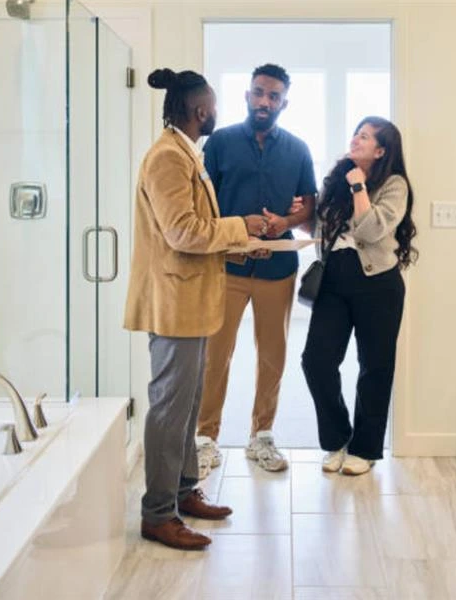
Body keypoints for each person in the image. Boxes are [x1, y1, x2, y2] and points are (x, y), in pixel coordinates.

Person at [123, 68, 269, 550]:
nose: (217, 113)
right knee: (170, 409)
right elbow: (183, 231)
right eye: (214, 106)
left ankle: (184, 491)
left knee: (186, 405)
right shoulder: (168, 157)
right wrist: (241, 226)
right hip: (175, 304)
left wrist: (240, 245)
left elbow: (195, 232)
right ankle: (158, 514)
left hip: (191, 301)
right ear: (201, 110)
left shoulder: (185, 152)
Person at [195, 64, 317, 475]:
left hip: (277, 268)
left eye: (274, 96)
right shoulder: (220, 143)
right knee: (215, 356)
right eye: (259, 92)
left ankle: (261, 436)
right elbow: (202, 203)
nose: (265, 101)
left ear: (284, 103)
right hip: (226, 266)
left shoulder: (298, 149)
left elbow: (309, 204)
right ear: (247, 95)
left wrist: (285, 222)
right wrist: (235, 226)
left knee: (272, 357)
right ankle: (205, 439)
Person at [300, 116, 417, 476]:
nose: (355, 140)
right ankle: (337, 440)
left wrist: (358, 186)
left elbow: (371, 229)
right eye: (356, 134)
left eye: (364, 137)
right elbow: (321, 226)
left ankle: (365, 449)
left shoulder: (394, 184)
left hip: (378, 284)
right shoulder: (336, 177)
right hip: (334, 280)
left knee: (375, 367)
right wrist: (296, 216)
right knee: (316, 361)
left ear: (380, 151)